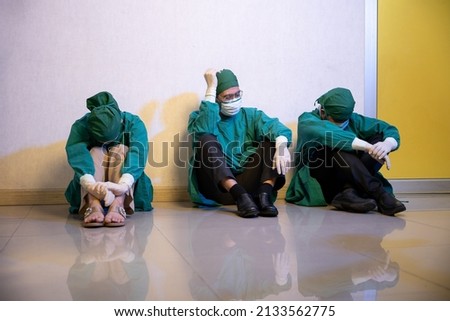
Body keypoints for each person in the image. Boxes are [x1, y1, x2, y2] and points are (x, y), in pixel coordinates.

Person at [187, 69, 292, 218]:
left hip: (250, 187)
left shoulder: (251, 115)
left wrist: (281, 145)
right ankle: (239, 196)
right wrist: (210, 90)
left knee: (272, 140)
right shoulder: (200, 118)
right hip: (218, 188)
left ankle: (264, 196)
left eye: (237, 94)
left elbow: (275, 127)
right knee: (206, 139)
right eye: (227, 97)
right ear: (217, 99)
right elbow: (204, 130)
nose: (234, 100)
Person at [286, 87, 406, 216]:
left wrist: (387, 144)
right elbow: (333, 135)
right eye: (335, 120)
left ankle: (349, 192)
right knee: (336, 146)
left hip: (350, 173)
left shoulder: (354, 120)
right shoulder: (307, 120)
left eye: (344, 121)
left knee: (378, 137)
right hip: (322, 176)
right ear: (322, 111)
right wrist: (367, 146)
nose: (341, 123)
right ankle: (380, 194)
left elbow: (387, 128)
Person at [65, 91, 153, 227]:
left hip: (124, 178)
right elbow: (77, 153)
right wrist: (90, 185)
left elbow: (138, 153)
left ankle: (118, 204)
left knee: (121, 150)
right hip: (94, 183)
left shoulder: (134, 123)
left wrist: (123, 185)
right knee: (95, 151)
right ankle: (93, 204)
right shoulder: (82, 126)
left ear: (120, 120)